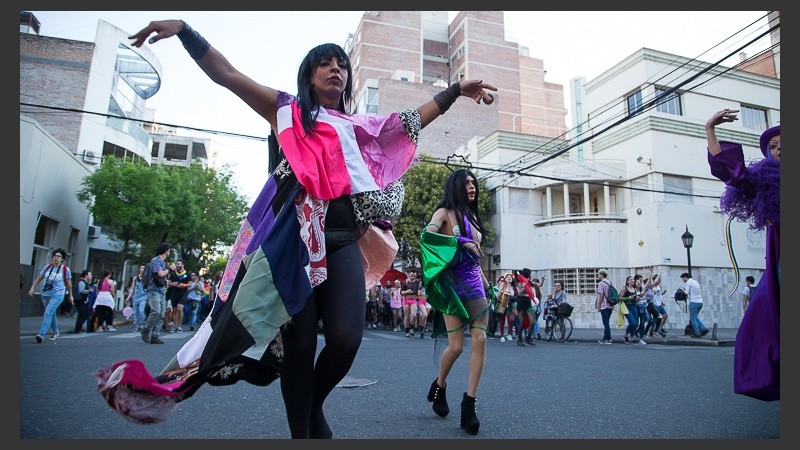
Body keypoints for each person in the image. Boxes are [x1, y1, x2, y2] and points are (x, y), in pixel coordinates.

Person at [94, 19, 496, 438]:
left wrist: (455, 92)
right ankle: (303, 432)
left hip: (341, 244)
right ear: (309, 75)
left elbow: (410, 122)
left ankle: (311, 406)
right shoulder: (287, 112)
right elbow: (228, 75)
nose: (335, 69)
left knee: (346, 340)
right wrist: (182, 30)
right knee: (300, 349)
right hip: (294, 246)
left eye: (340, 63)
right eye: (324, 64)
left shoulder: (362, 130)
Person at [706, 111, 779, 401]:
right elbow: (732, 173)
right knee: (762, 321)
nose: (780, 148)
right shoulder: (763, 181)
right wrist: (710, 129)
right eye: (773, 145)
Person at [419, 168, 491, 435]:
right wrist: (460, 240)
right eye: (467, 183)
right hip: (451, 287)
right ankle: (440, 385)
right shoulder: (444, 213)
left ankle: (469, 404)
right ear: (457, 186)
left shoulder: (472, 215)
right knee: (457, 347)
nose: (472, 186)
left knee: (481, 340)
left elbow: (476, 255)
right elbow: (427, 237)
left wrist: (486, 282)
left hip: (475, 286)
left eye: (474, 183)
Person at [28, 248, 74, 342]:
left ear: (62, 259)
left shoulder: (65, 269)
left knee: (48, 312)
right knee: (51, 313)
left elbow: (68, 284)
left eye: (58, 256)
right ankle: (56, 332)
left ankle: (41, 335)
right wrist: (32, 288)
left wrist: (70, 295)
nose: (56, 258)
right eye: (54, 256)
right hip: (45, 294)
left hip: (58, 294)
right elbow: (39, 278)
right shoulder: (48, 267)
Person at [140, 243, 171, 345]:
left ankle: (155, 335)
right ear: (166, 250)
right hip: (153, 289)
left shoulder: (163, 262)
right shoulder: (156, 260)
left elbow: (163, 277)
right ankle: (146, 329)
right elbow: (160, 273)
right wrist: (168, 270)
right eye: (169, 250)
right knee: (156, 311)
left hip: (162, 290)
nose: (169, 252)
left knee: (162, 314)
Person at [679, 272, 708, 338]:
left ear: (685, 277)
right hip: (700, 302)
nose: (683, 280)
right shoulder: (695, 282)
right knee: (695, 317)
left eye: (683, 279)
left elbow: (686, 292)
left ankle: (697, 333)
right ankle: (703, 328)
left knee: (692, 319)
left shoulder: (689, 282)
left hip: (694, 302)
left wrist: (682, 289)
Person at [167, 260, 191, 333]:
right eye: (176, 264)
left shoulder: (187, 274)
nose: (177, 265)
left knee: (180, 308)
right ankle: (175, 326)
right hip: (174, 293)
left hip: (183, 293)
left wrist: (183, 285)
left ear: (182, 265)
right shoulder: (173, 274)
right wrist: (173, 284)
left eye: (179, 264)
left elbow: (190, 284)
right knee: (174, 310)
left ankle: (179, 325)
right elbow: (168, 283)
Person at [125, 264, 148, 332]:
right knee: (135, 312)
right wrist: (128, 297)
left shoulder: (147, 278)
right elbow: (132, 288)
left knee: (141, 311)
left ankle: (142, 324)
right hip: (136, 296)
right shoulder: (135, 278)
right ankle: (137, 326)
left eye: (143, 268)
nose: (141, 269)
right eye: (140, 268)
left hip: (144, 296)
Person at [594, 269, 614, 344]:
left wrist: (598, 305)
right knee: (607, 322)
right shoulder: (609, 282)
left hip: (604, 305)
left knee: (605, 323)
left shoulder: (601, 284)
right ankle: (605, 338)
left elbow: (601, 295)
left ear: (602, 274)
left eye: (599, 274)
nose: (598, 276)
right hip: (610, 305)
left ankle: (608, 338)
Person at [401, 270, 423, 337]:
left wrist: (419, 297)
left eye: (414, 275)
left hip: (413, 300)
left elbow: (418, 292)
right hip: (406, 299)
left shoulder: (417, 282)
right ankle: (407, 331)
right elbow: (401, 292)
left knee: (414, 315)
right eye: (412, 275)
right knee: (406, 316)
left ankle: (411, 327)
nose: (413, 276)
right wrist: (407, 291)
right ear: (409, 274)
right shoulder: (405, 282)